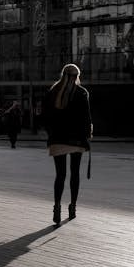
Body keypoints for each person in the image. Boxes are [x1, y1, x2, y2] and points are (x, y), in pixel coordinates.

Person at [42, 63, 92, 225]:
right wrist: (87, 136)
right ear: (77, 76)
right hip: (76, 139)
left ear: (62, 74)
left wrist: (51, 134)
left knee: (60, 175)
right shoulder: (82, 93)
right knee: (74, 173)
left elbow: (45, 117)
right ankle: (72, 208)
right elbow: (86, 118)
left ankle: (56, 207)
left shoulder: (52, 92)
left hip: (57, 139)